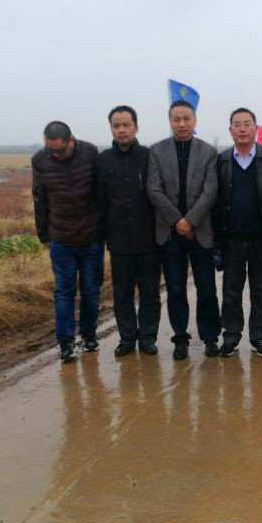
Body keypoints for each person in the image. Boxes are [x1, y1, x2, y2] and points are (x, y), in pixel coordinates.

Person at [146, 101, 221, 360]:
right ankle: (180, 338)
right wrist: (178, 221)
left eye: (186, 118)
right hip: (169, 234)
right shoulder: (156, 151)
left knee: (207, 288)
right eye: (176, 119)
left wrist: (191, 221)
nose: (182, 124)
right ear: (170, 121)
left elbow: (210, 190)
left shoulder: (208, 152)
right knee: (176, 289)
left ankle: (210, 337)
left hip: (200, 232)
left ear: (195, 120)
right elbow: (153, 189)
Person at [31, 120, 103, 362]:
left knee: (91, 291)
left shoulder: (90, 152)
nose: (55, 155)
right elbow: (39, 199)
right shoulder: (40, 160)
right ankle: (65, 342)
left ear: (71, 140)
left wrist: (104, 227)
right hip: (61, 238)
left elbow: (101, 191)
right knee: (64, 292)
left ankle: (89, 335)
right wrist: (43, 235)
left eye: (59, 150)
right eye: (50, 150)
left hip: (91, 236)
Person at [213, 108, 262, 358]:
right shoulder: (221, 161)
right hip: (231, 238)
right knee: (231, 292)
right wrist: (217, 237)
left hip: (261, 239)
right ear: (230, 130)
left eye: (247, 124)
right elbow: (215, 200)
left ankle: (259, 336)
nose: (242, 129)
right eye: (237, 124)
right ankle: (231, 335)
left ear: (255, 128)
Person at [96, 106, 161, 357]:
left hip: (148, 239)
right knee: (122, 294)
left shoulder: (149, 157)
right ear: (111, 128)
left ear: (136, 127)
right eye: (116, 126)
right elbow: (100, 202)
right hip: (119, 239)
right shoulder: (103, 160)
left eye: (126, 125)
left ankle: (147, 338)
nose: (121, 130)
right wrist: (103, 235)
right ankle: (126, 338)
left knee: (150, 293)